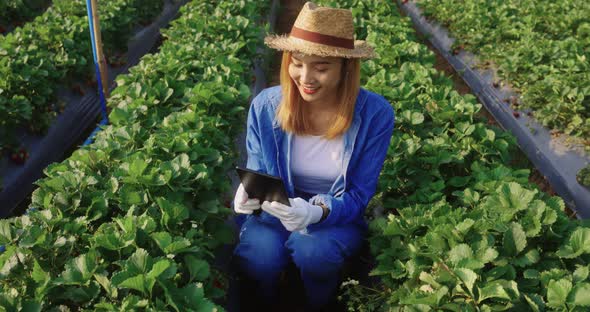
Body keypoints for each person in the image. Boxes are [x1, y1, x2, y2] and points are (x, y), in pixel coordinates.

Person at [229, 2, 395, 311]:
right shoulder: (266, 106)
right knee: (258, 257)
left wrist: (318, 212)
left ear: (346, 67)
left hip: (335, 215)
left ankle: (318, 302)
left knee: (313, 252)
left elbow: (359, 193)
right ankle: (263, 302)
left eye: (321, 67)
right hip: (277, 208)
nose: (305, 77)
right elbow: (258, 165)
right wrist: (248, 192)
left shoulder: (375, 115)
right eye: (297, 63)